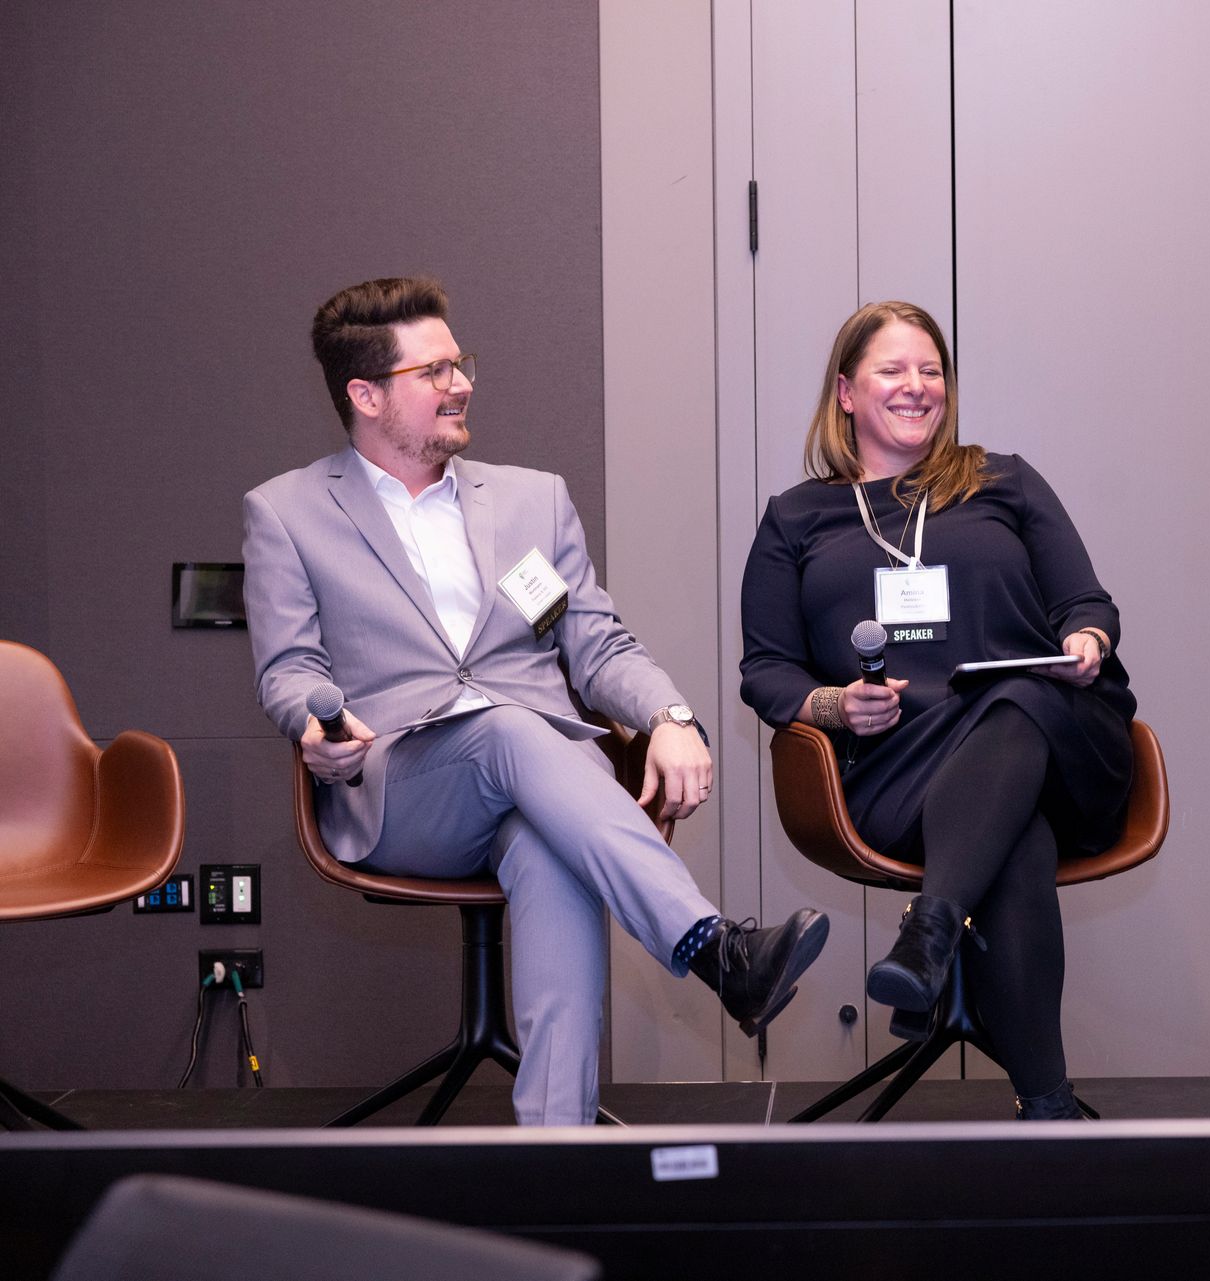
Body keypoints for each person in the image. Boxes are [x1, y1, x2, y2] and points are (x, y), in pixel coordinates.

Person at [244, 276, 827, 1126]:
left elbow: (591, 640)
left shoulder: (527, 501)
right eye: (434, 371)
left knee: (551, 847)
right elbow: (288, 667)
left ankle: (555, 1152)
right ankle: (711, 946)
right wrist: (312, 723)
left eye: (462, 362)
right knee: (511, 730)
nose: (462, 383)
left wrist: (668, 716)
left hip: (542, 780)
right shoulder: (290, 512)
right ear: (365, 395)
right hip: (404, 783)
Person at [739, 301, 1135, 1120]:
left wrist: (1089, 638)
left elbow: (1086, 602)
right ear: (846, 391)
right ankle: (1048, 1105)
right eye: (894, 369)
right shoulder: (796, 519)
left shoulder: (1004, 480)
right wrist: (836, 705)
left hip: (1054, 741)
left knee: (1016, 692)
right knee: (1014, 838)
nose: (918, 387)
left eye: (932, 371)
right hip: (898, 769)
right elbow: (765, 669)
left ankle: (932, 924)